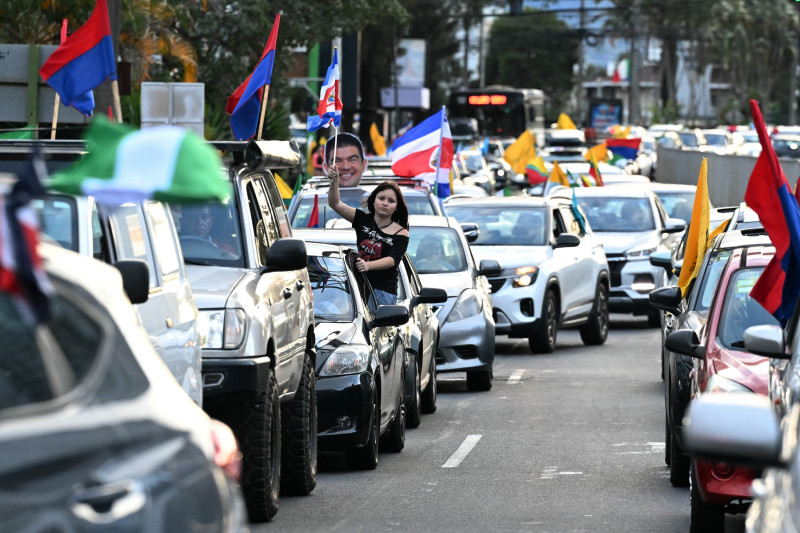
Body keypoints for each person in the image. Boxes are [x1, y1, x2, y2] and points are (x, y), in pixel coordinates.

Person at [327, 169, 409, 306]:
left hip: (383, 292)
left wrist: (368, 265)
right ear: (373, 200)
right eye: (381, 198)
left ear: (396, 207)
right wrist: (334, 181)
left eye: (391, 201)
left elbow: (392, 260)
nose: (385, 203)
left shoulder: (401, 233)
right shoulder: (362, 219)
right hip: (357, 288)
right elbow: (335, 203)